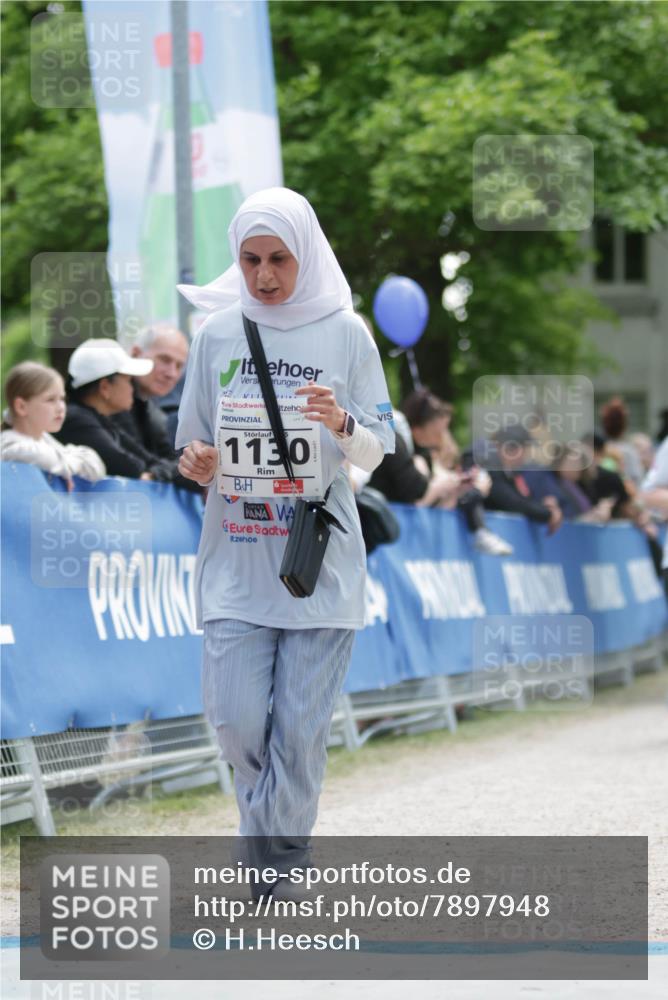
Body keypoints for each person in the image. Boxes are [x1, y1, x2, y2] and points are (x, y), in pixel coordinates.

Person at [175, 187, 395, 899]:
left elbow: (379, 448)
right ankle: (270, 848)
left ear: (306, 254)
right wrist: (199, 461)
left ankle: (279, 863)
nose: (264, 276)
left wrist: (340, 425)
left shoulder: (347, 334)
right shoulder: (215, 334)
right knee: (238, 723)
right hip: (235, 565)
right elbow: (191, 443)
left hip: (316, 568)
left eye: (278, 260)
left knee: (298, 733)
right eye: (250, 260)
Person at [400, 388, 513, 554]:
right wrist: (452, 487)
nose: (443, 437)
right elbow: (419, 503)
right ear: (417, 430)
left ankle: (481, 530)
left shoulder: (424, 455)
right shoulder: (413, 458)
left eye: (445, 429)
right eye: (438, 432)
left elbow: (441, 503)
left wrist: (462, 488)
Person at [56, 338, 179, 481]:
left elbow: (150, 462)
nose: (132, 389)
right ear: (105, 387)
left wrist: (156, 474)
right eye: (128, 380)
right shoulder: (77, 419)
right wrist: (158, 473)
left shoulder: (102, 420)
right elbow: (131, 468)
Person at [113, 324, 200, 492]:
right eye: (165, 360)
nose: (172, 373)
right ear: (136, 354)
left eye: (179, 366)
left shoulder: (153, 412)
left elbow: (179, 466)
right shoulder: (111, 406)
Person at [1, 361, 105, 486]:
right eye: (50, 400)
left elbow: (95, 465)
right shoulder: (10, 445)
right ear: (21, 406)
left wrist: (64, 468)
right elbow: (41, 456)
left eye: (62, 399)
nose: (61, 407)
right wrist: (68, 467)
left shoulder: (45, 440)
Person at [484, 426, 563, 533]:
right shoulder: (490, 471)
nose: (525, 455)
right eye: (523, 448)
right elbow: (514, 503)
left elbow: (523, 501)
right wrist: (548, 514)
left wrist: (545, 506)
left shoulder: (510, 475)